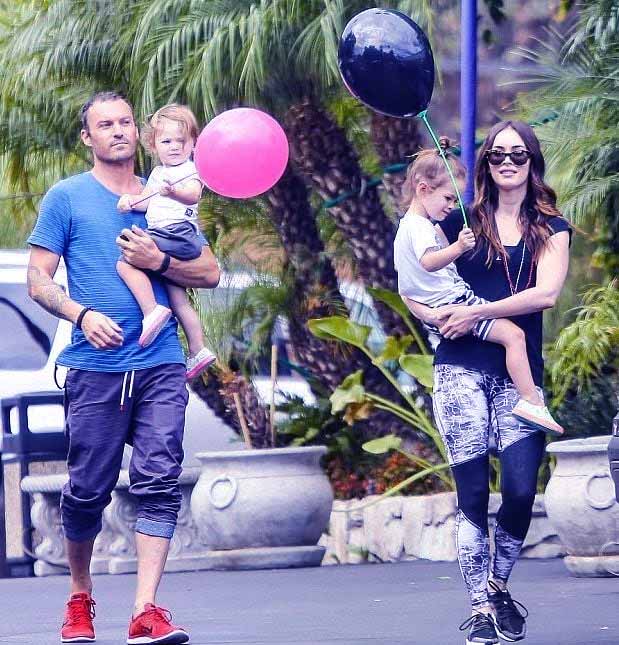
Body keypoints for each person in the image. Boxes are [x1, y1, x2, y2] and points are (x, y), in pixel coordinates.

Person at [27, 91, 220, 645]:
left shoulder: (164, 192)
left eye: (126, 122)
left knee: (158, 481)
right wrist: (80, 314)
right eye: (104, 125)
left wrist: (158, 261)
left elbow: (207, 270)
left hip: (161, 362)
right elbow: (38, 279)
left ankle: (145, 610)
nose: (118, 131)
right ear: (87, 137)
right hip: (95, 365)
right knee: (88, 488)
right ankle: (81, 596)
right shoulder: (67, 198)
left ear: (140, 131)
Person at [403, 121, 571, 645]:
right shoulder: (461, 218)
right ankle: (479, 606)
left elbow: (544, 296)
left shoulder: (553, 228)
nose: (507, 161)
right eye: (497, 154)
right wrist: (439, 319)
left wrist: (478, 312)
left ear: (532, 161)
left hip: (519, 377)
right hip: (461, 368)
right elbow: (412, 279)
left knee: (520, 490)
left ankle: (498, 585)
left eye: (517, 153)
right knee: (472, 493)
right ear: (486, 163)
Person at [394, 137, 562, 435]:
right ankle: (531, 401)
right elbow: (429, 262)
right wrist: (458, 247)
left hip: (441, 307)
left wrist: (430, 315)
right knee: (513, 335)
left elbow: (405, 287)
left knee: (511, 334)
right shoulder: (420, 228)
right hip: (457, 302)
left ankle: (529, 400)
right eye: (447, 199)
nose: (451, 206)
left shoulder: (404, 230)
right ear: (423, 189)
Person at [117, 104, 216, 379]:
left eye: (181, 141)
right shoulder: (159, 173)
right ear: (153, 145)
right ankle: (198, 349)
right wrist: (129, 202)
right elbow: (146, 200)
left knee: (126, 262)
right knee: (179, 299)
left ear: (193, 143)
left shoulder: (191, 170)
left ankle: (151, 311)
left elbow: (192, 196)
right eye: (166, 141)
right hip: (170, 236)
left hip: (178, 233)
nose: (174, 147)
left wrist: (173, 192)